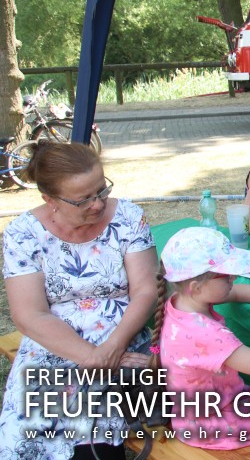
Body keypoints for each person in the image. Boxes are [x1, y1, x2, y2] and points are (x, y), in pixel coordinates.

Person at [0, 141, 158, 460]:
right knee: (24, 437)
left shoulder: (128, 216)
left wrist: (113, 349)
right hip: (54, 344)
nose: (97, 205)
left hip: (122, 336)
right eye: (83, 199)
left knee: (95, 445)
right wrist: (93, 358)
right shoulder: (22, 234)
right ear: (49, 199)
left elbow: (145, 290)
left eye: (101, 190)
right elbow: (30, 315)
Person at [157, 227, 250, 450]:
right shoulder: (207, 334)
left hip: (191, 413)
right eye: (226, 275)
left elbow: (235, 292)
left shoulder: (181, 302)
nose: (233, 278)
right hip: (214, 422)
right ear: (196, 288)